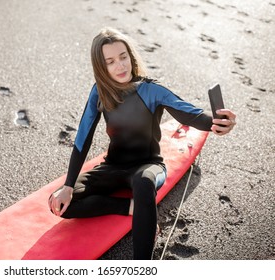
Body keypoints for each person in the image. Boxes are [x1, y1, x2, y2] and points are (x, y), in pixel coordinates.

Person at [48, 27, 236, 260]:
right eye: (110, 61)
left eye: (123, 56)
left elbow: (191, 114)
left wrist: (217, 122)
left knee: (143, 181)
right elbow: (82, 139)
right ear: (101, 66)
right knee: (60, 203)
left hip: (149, 166)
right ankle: (129, 207)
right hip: (112, 167)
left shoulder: (150, 90)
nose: (120, 66)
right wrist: (67, 187)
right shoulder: (99, 92)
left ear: (131, 56)